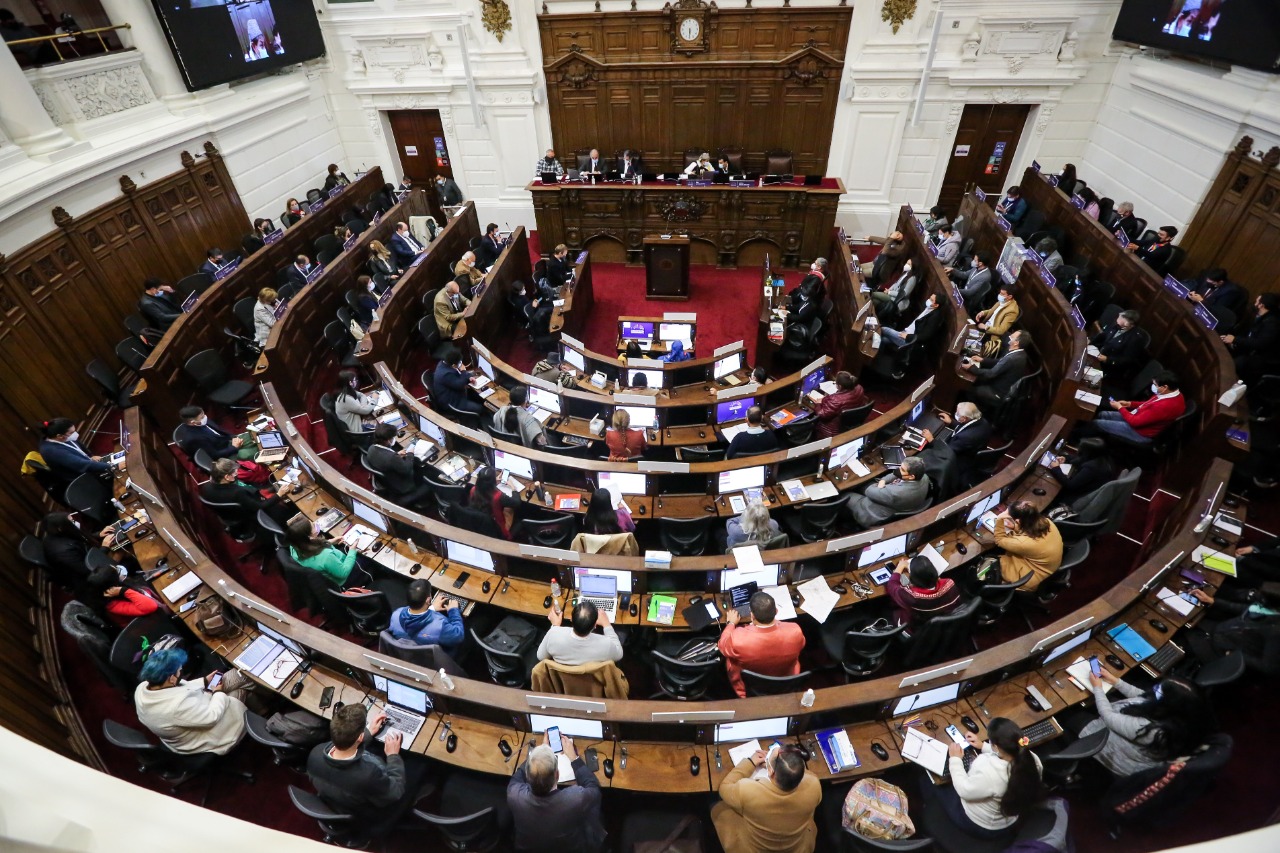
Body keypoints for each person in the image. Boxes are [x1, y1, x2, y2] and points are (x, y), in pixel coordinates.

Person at [307, 704, 432, 843]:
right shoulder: (368, 775)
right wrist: (393, 755)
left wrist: (369, 732)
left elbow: (344, 747)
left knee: (376, 749)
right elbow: (395, 792)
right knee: (419, 763)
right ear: (360, 737)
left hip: (338, 799)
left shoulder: (315, 753)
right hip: (369, 815)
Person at [1077, 670, 1215, 777]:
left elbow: (1108, 716)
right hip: (1125, 724)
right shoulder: (1183, 716)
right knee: (1100, 700)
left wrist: (1097, 688)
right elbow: (1145, 696)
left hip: (1117, 750)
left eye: (1160, 691)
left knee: (1074, 714)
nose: (1155, 689)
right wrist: (1116, 681)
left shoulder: (1153, 731)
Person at [936, 717, 1044, 839]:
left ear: (996, 747)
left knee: (935, 782)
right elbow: (1008, 754)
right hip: (1009, 818)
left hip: (983, 826)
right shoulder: (1032, 760)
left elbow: (964, 790)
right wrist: (983, 746)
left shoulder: (989, 771)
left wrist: (955, 759)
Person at [134, 648, 250, 756]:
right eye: (180, 670)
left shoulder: (144, 686)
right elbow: (212, 717)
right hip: (207, 735)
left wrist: (204, 681)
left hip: (195, 713)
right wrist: (217, 692)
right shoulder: (176, 707)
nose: (181, 672)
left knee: (240, 676)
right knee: (244, 686)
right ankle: (255, 726)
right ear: (172, 678)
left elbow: (181, 689)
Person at [712, 742, 821, 853]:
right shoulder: (814, 785)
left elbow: (725, 787)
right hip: (797, 848)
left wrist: (751, 762)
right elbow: (802, 773)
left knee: (719, 809)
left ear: (771, 771)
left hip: (754, 849)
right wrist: (782, 768)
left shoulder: (749, 791)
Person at [507, 736, 606, 853]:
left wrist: (537, 757)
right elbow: (593, 787)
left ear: (528, 777)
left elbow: (519, 774)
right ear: (557, 775)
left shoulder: (514, 794)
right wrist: (574, 758)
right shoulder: (575, 799)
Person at [718, 590, 806, 698]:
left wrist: (731, 623)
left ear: (752, 615)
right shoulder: (795, 630)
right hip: (785, 682)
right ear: (776, 611)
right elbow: (801, 645)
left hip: (748, 687)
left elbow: (722, 646)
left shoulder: (738, 639)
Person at [1185, 587, 1280, 675]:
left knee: (1182, 637)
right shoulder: (1269, 611)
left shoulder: (1276, 633)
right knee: (1187, 621)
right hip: (1218, 630)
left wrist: (1234, 655)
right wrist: (1211, 600)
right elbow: (1241, 608)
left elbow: (1268, 667)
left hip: (1219, 651)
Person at [1084, 370, 1186, 446]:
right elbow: (1148, 404)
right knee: (1103, 414)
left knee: (1097, 423)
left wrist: (1120, 407)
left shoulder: (1164, 406)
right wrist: (1129, 404)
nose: (1153, 386)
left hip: (1140, 432)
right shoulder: (1174, 393)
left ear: (1165, 387)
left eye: (1155, 385)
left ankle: (1084, 443)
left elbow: (1134, 422)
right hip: (1138, 416)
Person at [200, 457, 295, 526]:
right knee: (289, 512)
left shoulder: (206, 487)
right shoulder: (237, 492)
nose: (237, 473)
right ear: (227, 477)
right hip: (254, 513)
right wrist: (279, 495)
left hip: (231, 512)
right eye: (234, 472)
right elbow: (260, 506)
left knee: (270, 486)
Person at [991, 501, 1062, 591]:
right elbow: (1031, 529)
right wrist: (1015, 527)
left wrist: (999, 518)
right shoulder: (1047, 522)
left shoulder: (1024, 543)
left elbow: (999, 540)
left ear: (1018, 521)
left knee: (992, 559)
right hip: (1047, 569)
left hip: (1031, 577)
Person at [921, 402, 993, 488]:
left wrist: (931, 440)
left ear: (964, 418)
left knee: (925, 456)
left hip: (959, 461)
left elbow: (947, 452)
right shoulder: (983, 422)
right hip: (970, 453)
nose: (956, 414)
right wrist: (951, 422)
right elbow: (965, 427)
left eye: (958, 414)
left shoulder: (966, 437)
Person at [846, 457, 932, 529]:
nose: (898, 470)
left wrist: (880, 485)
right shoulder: (924, 477)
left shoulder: (896, 493)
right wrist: (883, 480)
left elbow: (868, 491)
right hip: (891, 500)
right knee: (863, 484)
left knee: (845, 495)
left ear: (911, 476)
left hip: (872, 512)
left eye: (902, 469)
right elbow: (896, 473)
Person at [40, 512, 117, 590]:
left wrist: (98, 534)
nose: (76, 522)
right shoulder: (63, 553)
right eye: (72, 522)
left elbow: (78, 538)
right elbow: (88, 569)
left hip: (87, 555)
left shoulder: (60, 531)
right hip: (88, 578)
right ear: (60, 528)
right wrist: (104, 548)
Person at [536, 599, 623, 666]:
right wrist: (607, 624)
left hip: (565, 681)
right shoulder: (606, 644)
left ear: (571, 619)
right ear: (594, 625)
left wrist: (555, 626)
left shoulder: (553, 634)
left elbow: (541, 656)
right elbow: (619, 654)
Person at [366, 424, 433, 510]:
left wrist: (396, 455)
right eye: (393, 437)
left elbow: (384, 458)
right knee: (428, 477)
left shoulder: (371, 448)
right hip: (403, 487)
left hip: (389, 481)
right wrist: (410, 454)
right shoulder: (391, 458)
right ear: (388, 440)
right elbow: (407, 469)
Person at [37, 418, 120, 486]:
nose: (75, 434)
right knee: (121, 471)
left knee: (120, 457)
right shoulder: (53, 452)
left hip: (88, 462)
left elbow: (77, 443)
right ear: (59, 436)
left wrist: (90, 455)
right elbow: (82, 465)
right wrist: (114, 466)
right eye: (72, 432)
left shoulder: (56, 436)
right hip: (85, 477)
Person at [286, 516, 362, 587]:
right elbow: (343, 573)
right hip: (345, 579)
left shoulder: (294, 546)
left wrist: (329, 542)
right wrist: (352, 551)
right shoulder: (325, 556)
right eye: (313, 526)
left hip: (329, 572)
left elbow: (312, 545)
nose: (315, 524)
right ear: (309, 537)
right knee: (364, 559)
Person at [388, 580, 464, 652]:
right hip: (439, 656)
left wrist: (432, 608)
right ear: (428, 600)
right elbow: (458, 636)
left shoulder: (396, 614)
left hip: (410, 651)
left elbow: (415, 620)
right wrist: (453, 611)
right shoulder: (439, 626)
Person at [967, 328, 1032, 412]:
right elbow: (1000, 362)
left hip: (997, 392)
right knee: (977, 379)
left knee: (969, 388)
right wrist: (983, 360)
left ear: (1016, 343)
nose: (1009, 336)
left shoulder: (1012, 359)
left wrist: (971, 368)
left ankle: (976, 412)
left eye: (1012, 336)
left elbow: (990, 374)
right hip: (999, 384)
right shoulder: (1020, 353)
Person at [886, 555, 961, 626]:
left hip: (917, 628)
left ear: (913, 579)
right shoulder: (950, 583)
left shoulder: (912, 596)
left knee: (893, 606)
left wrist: (900, 567)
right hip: (945, 625)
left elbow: (891, 585)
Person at [1223, 293, 1280, 385]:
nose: (1255, 303)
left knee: (1238, 363)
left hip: (1262, 358)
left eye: (1257, 301)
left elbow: (1260, 344)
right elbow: (1247, 333)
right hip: (1250, 348)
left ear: (1261, 305)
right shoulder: (1257, 315)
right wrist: (1234, 341)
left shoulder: (1272, 324)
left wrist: (1235, 340)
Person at [79, 565, 159, 627]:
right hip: (147, 624)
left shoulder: (105, 588)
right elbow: (151, 606)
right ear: (113, 585)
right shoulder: (112, 605)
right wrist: (124, 591)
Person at [1091, 309, 1146, 398]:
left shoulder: (1135, 339)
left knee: (1089, 381)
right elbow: (1104, 336)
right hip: (1098, 356)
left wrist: (1107, 359)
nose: (1118, 317)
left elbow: (1126, 361)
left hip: (1110, 368)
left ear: (1127, 323)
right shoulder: (1116, 325)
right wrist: (1090, 342)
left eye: (1121, 317)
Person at [1048, 437, 1115, 506]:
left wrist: (1056, 468)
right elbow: (1082, 459)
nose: (1078, 450)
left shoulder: (1091, 468)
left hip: (1078, 497)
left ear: (1087, 453)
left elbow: (1070, 485)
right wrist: (1066, 458)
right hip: (1087, 488)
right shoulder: (1100, 457)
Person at [175, 405, 256, 460]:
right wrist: (234, 447)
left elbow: (220, 431)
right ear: (193, 422)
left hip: (226, 442)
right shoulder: (195, 439)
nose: (205, 417)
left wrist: (233, 437)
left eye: (204, 414)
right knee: (251, 452)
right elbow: (215, 455)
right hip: (223, 456)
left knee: (255, 435)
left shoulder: (201, 421)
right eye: (202, 417)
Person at [466, 466, 522, 540]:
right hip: (497, 529)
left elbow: (484, 487)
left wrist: (493, 482)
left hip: (479, 523)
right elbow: (517, 502)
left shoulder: (473, 490)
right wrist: (513, 488)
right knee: (509, 509)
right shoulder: (498, 496)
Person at [881, 292, 946, 352]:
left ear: (936, 305)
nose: (928, 300)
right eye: (930, 298)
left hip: (909, 340)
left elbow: (925, 336)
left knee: (884, 329)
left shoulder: (935, 317)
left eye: (931, 300)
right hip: (904, 332)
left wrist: (908, 336)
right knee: (882, 339)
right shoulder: (928, 307)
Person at [813, 371, 868, 439]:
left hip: (832, 430)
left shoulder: (836, 400)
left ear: (840, 386)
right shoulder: (859, 388)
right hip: (851, 421)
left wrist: (818, 404)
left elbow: (822, 414)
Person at [432, 346, 483, 415]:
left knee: (479, 396)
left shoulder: (443, 363)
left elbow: (459, 377)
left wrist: (469, 377)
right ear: (453, 365)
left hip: (456, 392)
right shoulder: (446, 374)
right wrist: (463, 371)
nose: (460, 364)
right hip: (452, 403)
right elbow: (460, 384)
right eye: (459, 362)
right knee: (479, 408)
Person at [973, 286, 1021, 358]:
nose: (999, 295)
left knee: (968, 345)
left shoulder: (1012, 311)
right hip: (983, 326)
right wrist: (983, 313)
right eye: (1000, 293)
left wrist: (985, 327)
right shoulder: (1003, 300)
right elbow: (993, 311)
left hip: (990, 334)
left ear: (1010, 296)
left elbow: (1001, 330)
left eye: (1002, 294)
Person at [333, 369, 377, 433]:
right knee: (382, 426)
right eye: (355, 380)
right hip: (357, 430)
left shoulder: (346, 390)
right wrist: (374, 399)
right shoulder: (345, 399)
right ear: (350, 383)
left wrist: (363, 406)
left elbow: (362, 395)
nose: (356, 381)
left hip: (358, 420)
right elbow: (366, 411)